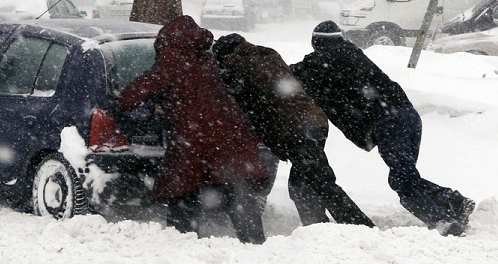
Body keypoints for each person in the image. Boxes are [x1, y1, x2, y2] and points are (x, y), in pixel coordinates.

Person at [290, 20, 475, 236]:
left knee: (403, 182)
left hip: (389, 122)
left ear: (317, 43)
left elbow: (294, 73)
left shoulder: (325, 60)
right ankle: (455, 201)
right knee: (405, 177)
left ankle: (443, 223)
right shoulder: (351, 54)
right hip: (408, 116)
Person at [119, 15, 268, 244]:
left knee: (183, 192)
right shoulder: (208, 61)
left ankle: (184, 243)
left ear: (167, 41)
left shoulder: (172, 62)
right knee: (236, 192)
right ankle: (256, 244)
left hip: (194, 141)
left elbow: (132, 95)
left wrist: (125, 101)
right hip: (230, 136)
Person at [212, 33, 375, 228]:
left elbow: (242, 98)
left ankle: (360, 226)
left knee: (321, 182)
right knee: (302, 185)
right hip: (312, 122)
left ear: (227, 54)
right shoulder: (266, 55)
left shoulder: (240, 64)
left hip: (296, 129)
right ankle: (319, 227)